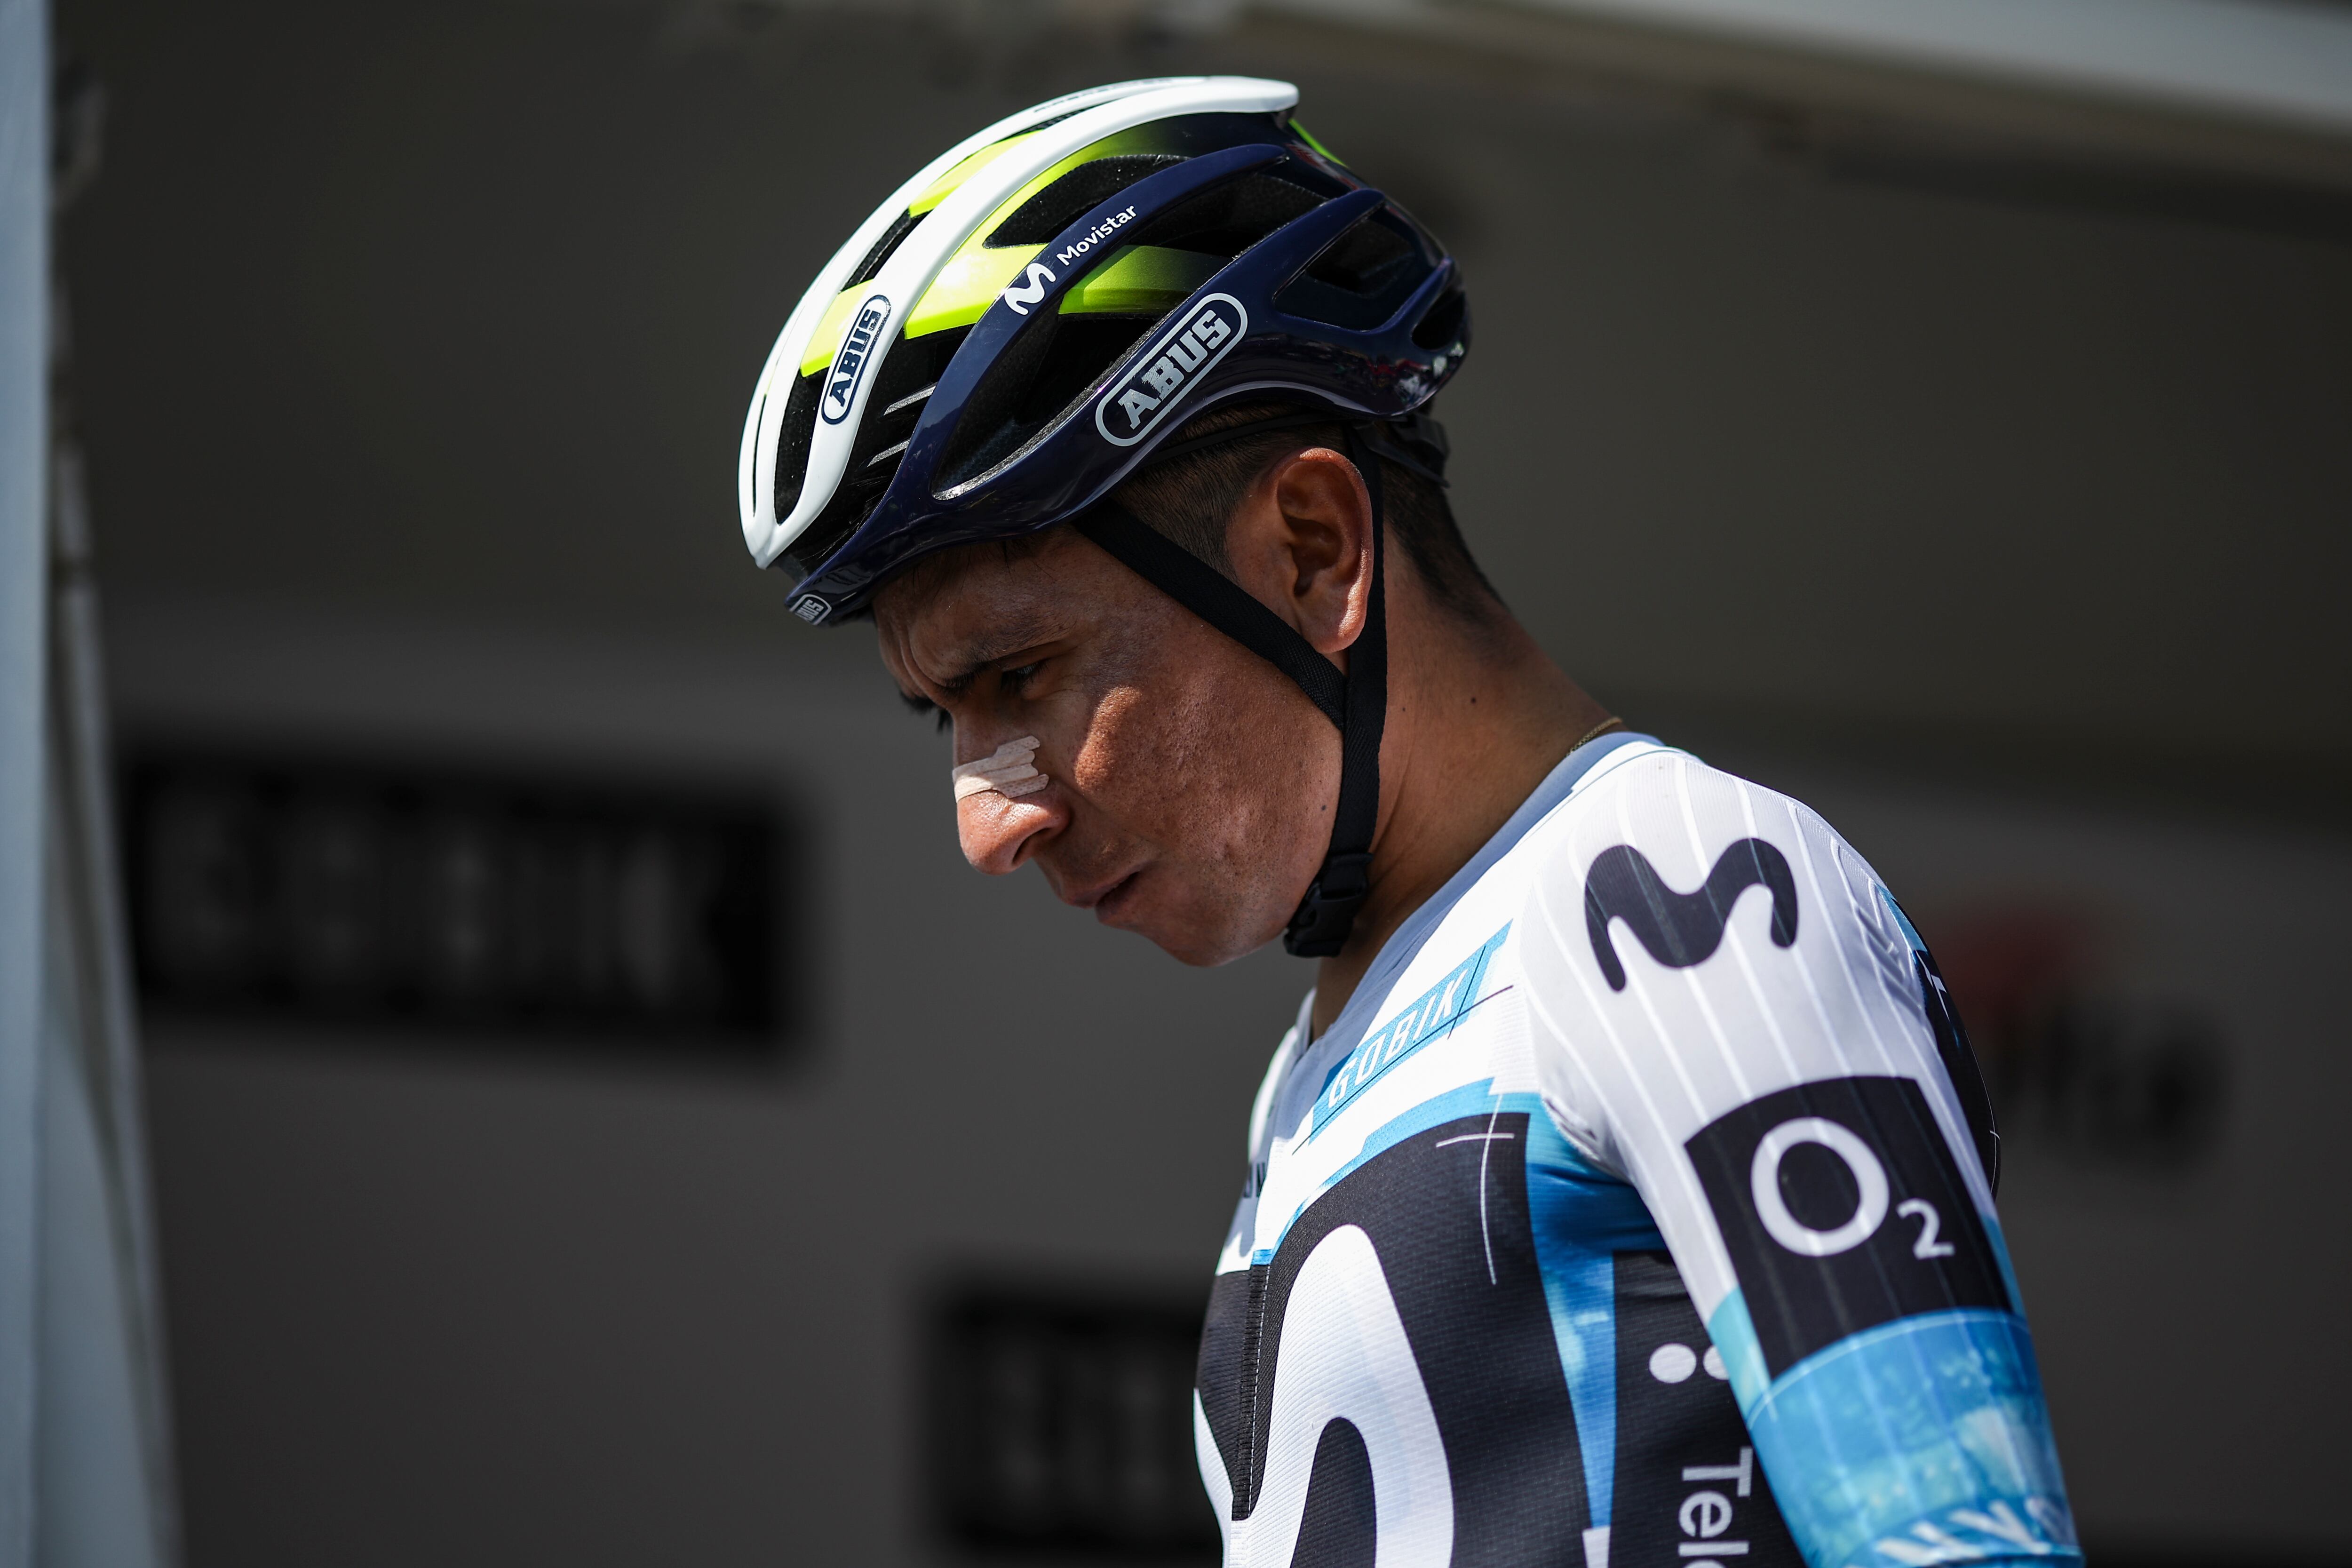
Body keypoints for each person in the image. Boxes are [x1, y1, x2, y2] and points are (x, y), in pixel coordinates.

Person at [735, 76, 2078, 1568]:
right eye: (948, 717)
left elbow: (1965, 1549)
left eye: (1021, 675)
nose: (992, 824)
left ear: (1314, 551)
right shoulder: (1314, 1069)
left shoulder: (1676, 889)